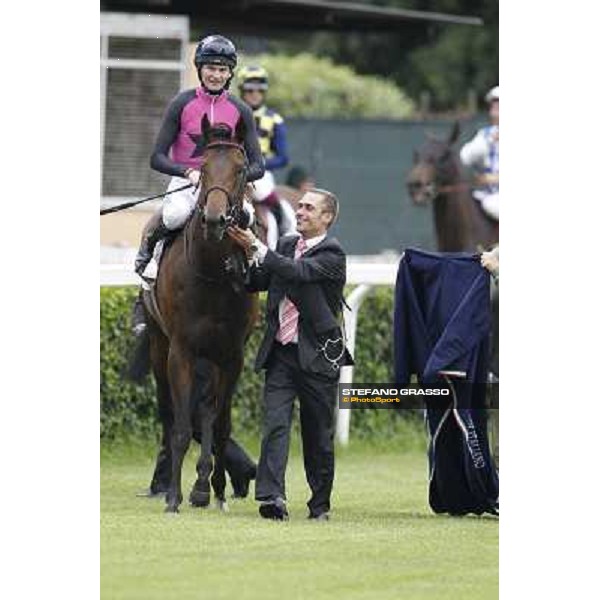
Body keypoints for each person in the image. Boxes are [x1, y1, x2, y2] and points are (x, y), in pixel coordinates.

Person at [227, 188, 353, 521]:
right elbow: (261, 280)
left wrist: (256, 246)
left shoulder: (332, 253)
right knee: (275, 425)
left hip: (319, 356)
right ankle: (271, 498)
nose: (300, 211)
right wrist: (239, 258)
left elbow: (297, 273)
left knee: (318, 436)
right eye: (299, 206)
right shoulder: (284, 245)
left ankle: (320, 506)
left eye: (309, 208)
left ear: (327, 217)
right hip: (281, 352)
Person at [133, 35, 265, 283]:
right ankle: (150, 255)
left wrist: (236, 177)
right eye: (210, 68)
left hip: (226, 186)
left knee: (247, 215)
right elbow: (156, 158)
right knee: (176, 215)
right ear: (200, 69)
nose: (216, 75)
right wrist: (187, 172)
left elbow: (259, 164)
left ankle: (255, 264)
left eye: (222, 69)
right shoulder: (181, 103)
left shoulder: (242, 110)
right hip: (188, 181)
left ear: (230, 73)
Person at [237, 65, 294, 245]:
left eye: (259, 90)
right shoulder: (231, 114)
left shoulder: (274, 119)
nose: (255, 94)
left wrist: (260, 163)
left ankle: (282, 230)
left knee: (264, 194)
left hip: (260, 173)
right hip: (232, 170)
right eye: (250, 90)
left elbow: (283, 158)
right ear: (241, 90)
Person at [460, 85, 499, 221]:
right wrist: (487, 142)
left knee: (491, 204)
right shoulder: (485, 134)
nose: (494, 111)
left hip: (494, 200)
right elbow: (465, 157)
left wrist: (493, 179)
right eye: (493, 106)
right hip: (484, 194)